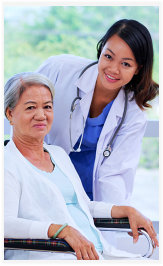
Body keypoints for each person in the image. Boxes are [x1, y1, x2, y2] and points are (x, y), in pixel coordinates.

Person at [4, 72, 158, 260]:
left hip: (96, 254)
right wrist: (60, 230)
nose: (41, 115)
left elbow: (83, 206)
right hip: (55, 256)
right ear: (10, 113)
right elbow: (5, 223)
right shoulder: (7, 163)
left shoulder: (58, 155)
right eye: (30, 107)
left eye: (47, 107)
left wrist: (124, 210)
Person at [36, 19, 159, 206]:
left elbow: (115, 175)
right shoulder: (59, 69)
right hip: (44, 185)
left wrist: (114, 214)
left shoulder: (133, 114)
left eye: (126, 64)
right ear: (101, 50)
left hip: (91, 200)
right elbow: (21, 113)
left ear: (138, 69)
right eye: (108, 56)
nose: (113, 69)